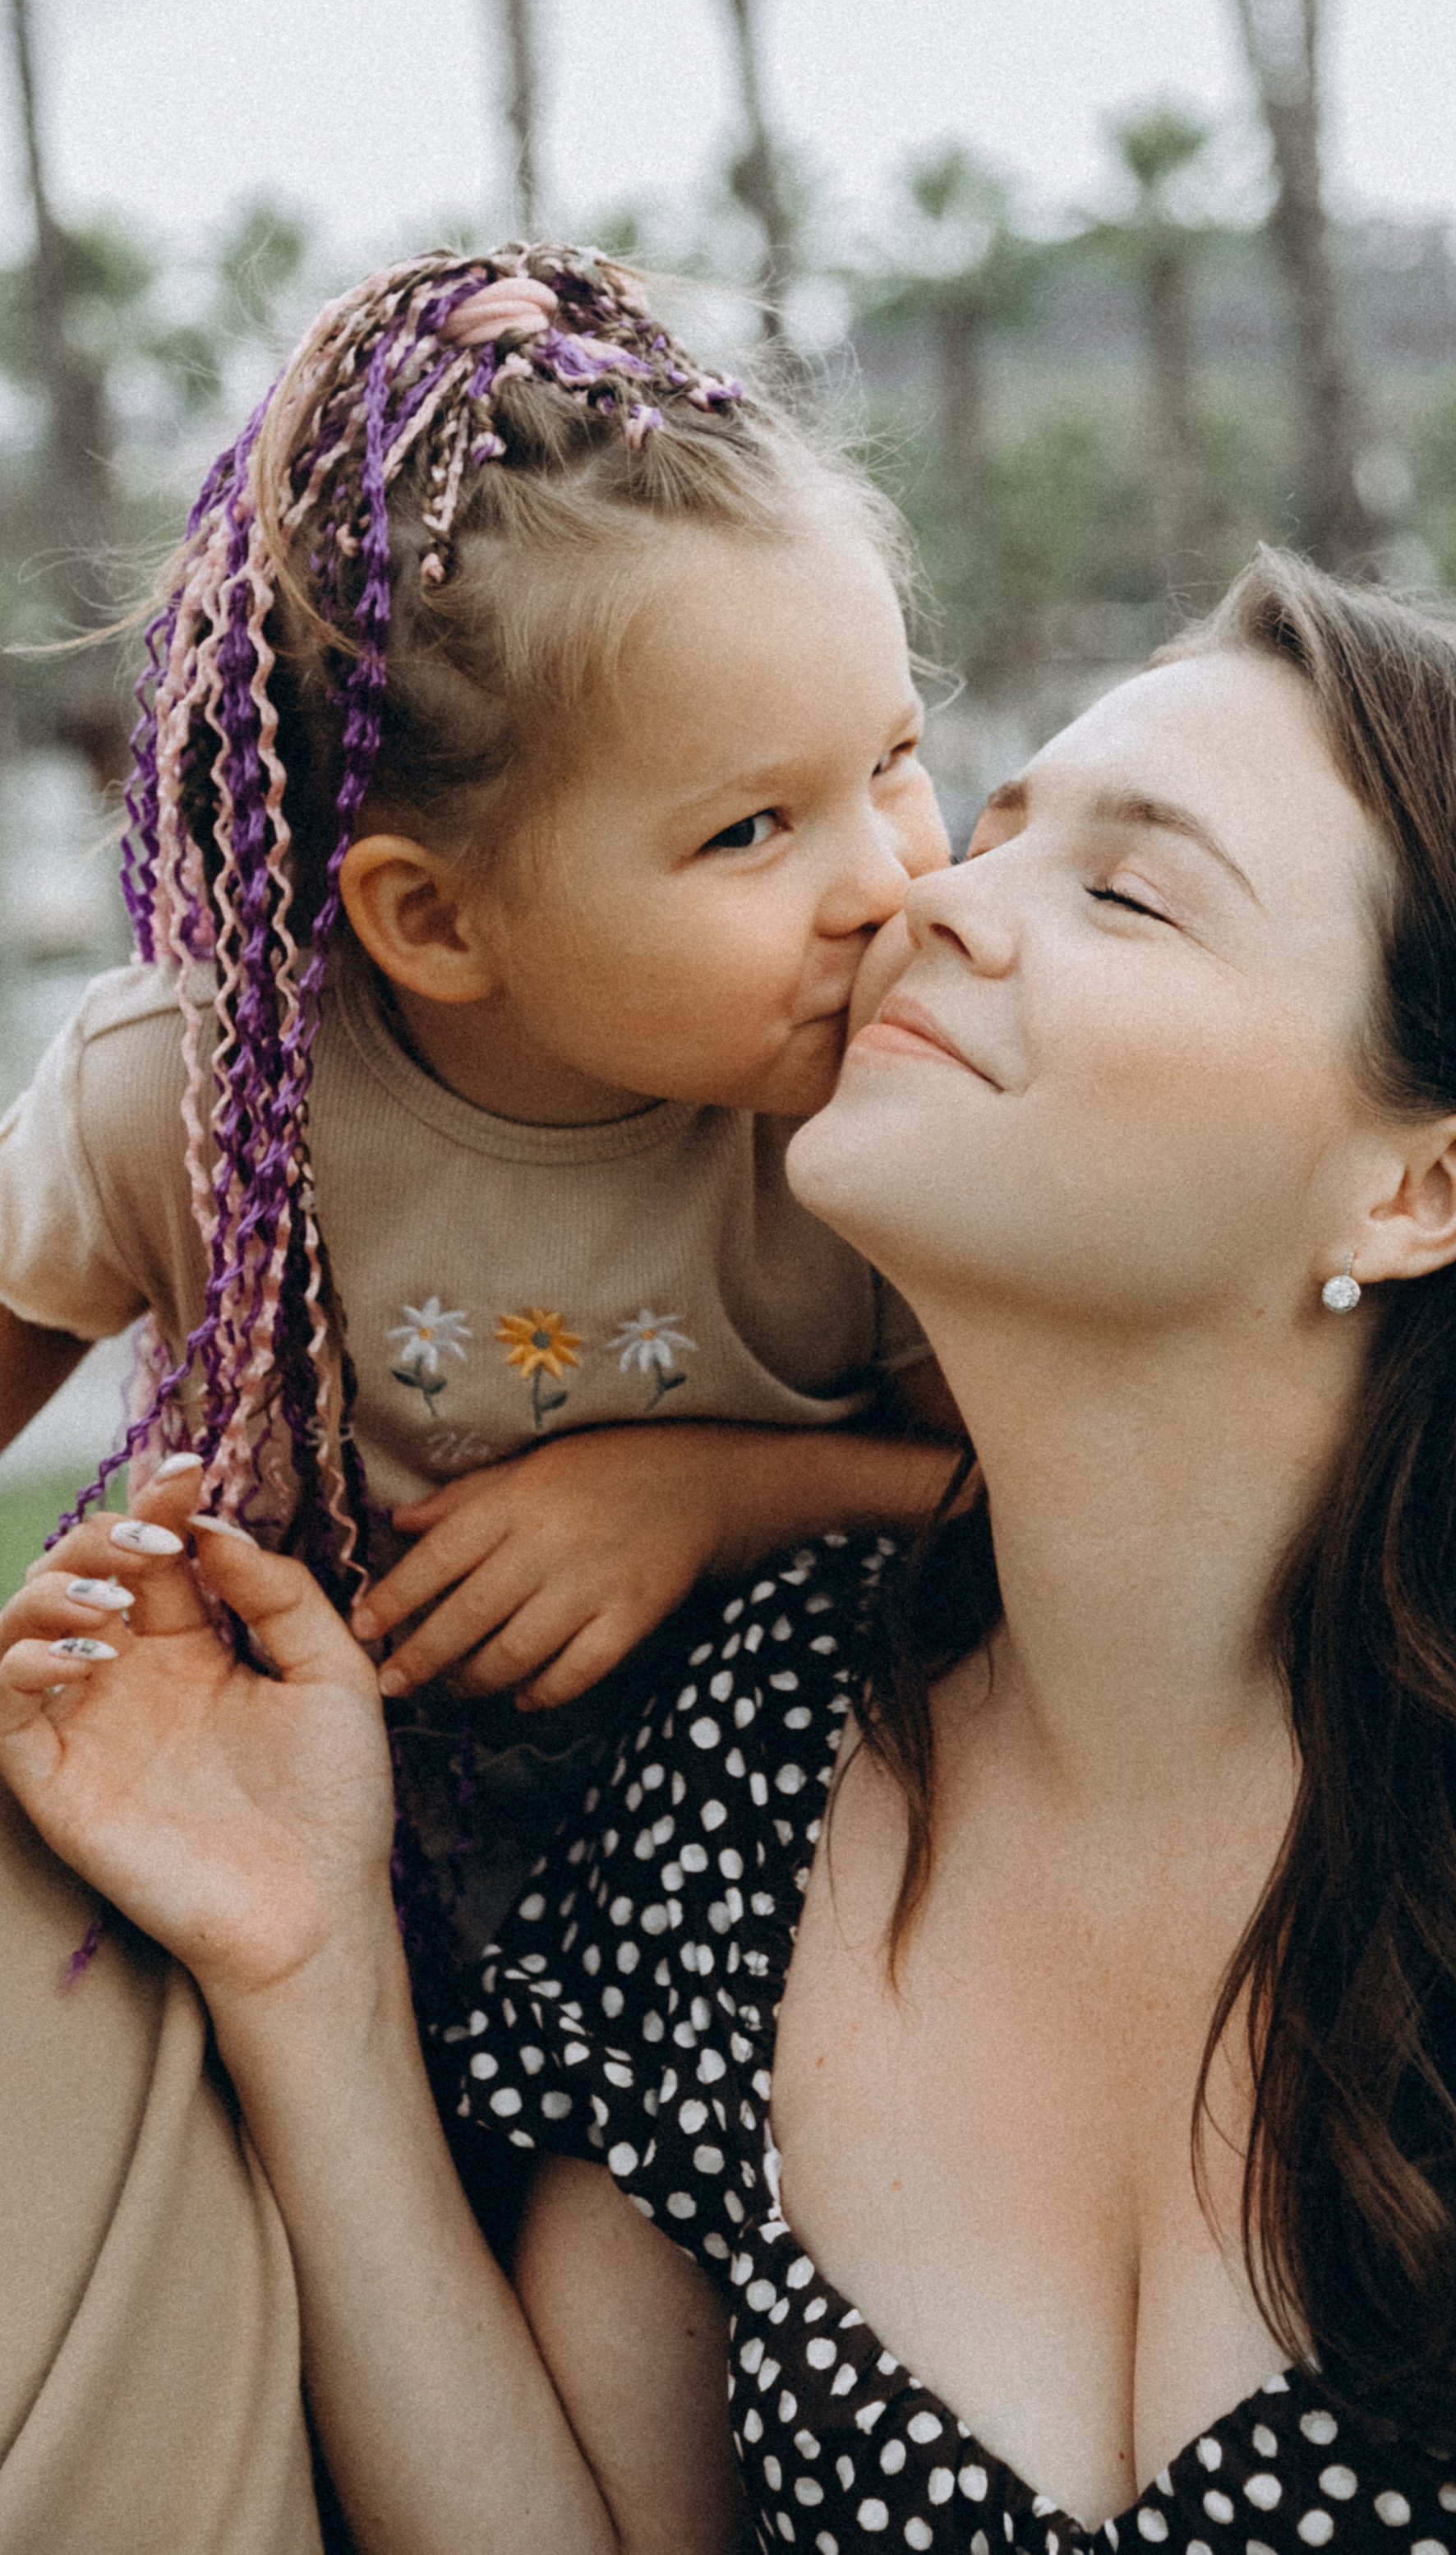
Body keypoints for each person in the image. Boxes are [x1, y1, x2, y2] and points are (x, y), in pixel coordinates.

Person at [7, 554, 1456, 2555]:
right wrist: (310, 1973)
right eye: (986, 828)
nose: (929, 909)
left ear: (1418, 1189)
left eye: (1120, 890)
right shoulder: (763, 1723)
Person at [0, 242, 958, 2552]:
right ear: (433, 921)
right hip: (304, 1874)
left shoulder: (884, 1111)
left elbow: (1044, 1496)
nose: (886, 886)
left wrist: (720, 1494)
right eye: (755, 832)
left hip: (736, 1958)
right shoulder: (195, 1092)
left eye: (902, 765)